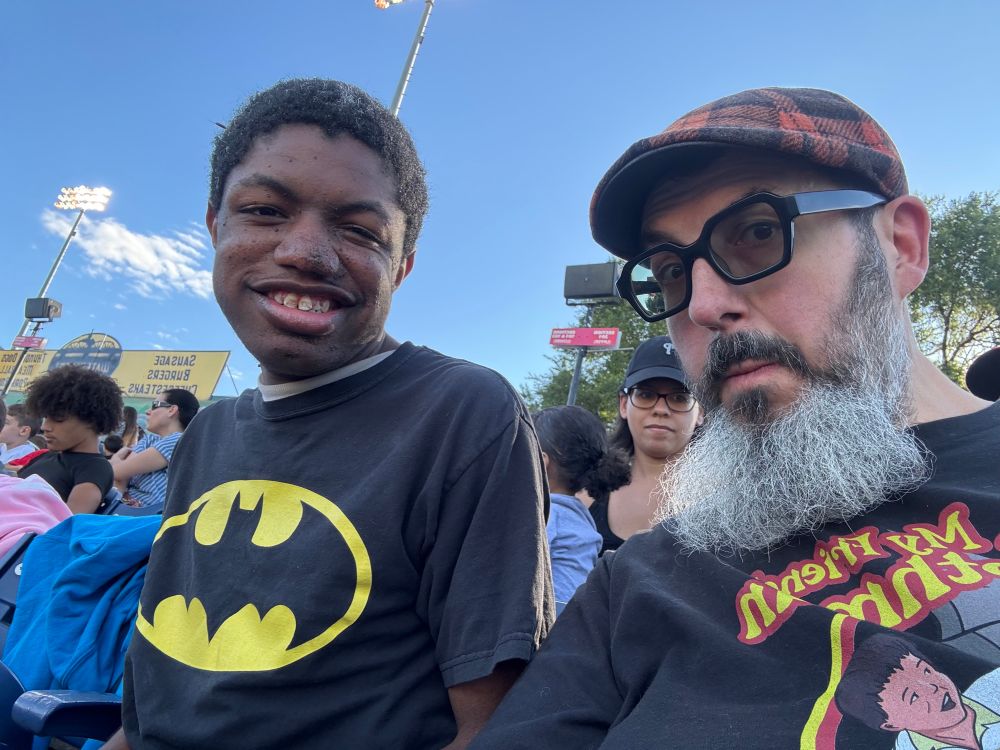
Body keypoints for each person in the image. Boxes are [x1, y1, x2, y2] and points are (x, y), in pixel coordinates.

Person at [471, 87, 1000, 749]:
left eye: (757, 232)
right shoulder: (637, 583)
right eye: (670, 271)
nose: (701, 305)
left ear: (899, 245)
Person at [107, 79, 552, 750]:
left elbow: (492, 728)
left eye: (359, 231)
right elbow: (153, 706)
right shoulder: (210, 432)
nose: (306, 253)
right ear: (213, 226)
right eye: (264, 210)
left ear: (401, 267)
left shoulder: (463, 414)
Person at [587, 335, 701, 552]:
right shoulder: (584, 495)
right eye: (646, 394)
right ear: (624, 404)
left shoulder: (726, 499)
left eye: (679, 398)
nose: (660, 409)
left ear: (701, 411)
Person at [533, 405, 630, 614]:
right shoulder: (579, 517)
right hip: (569, 629)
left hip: (542, 628)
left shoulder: (547, 515)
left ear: (541, 461)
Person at [836, 634, 1000, 750]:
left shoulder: (993, 685)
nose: (933, 688)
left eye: (927, 671)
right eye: (913, 696)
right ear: (892, 724)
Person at [18, 364, 122, 513]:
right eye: (46, 417)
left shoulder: (95, 469)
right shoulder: (45, 456)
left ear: (92, 419)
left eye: (58, 419)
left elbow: (64, 526)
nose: (45, 426)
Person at [109, 389, 200, 509]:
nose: (148, 411)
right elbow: (120, 478)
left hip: (151, 518)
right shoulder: (150, 439)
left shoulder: (179, 440)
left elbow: (117, 472)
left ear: (172, 410)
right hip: (129, 512)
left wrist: (115, 458)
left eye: (154, 405)